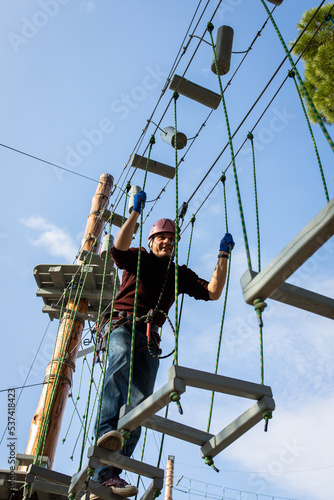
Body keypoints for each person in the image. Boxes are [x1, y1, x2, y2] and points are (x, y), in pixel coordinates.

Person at [92, 191, 234, 498]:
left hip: (150, 340)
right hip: (123, 325)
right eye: (162, 238)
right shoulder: (139, 257)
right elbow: (118, 249)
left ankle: (110, 473)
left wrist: (223, 257)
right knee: (117, 374)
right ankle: (104, 452)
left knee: (140, 406)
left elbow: (213, 291)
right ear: (152, 240)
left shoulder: (178, 274)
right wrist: (134, 214)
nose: (167, 243)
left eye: (171, 240)